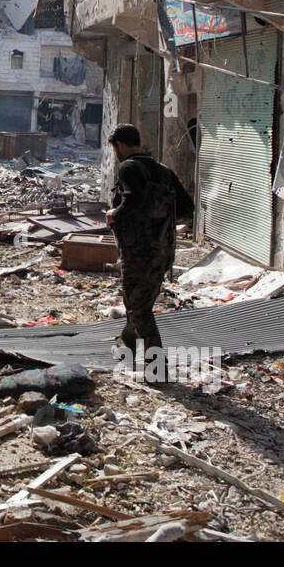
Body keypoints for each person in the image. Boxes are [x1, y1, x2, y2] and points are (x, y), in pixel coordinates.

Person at [104, 123, 195, 382]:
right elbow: (187, 207)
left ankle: (158, 371)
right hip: (162, 250)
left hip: (138, 252)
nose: (116, 154)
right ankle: (126, 348)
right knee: (137, 302)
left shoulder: (129, 167)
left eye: (115, 149)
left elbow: (131, 200)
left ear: (120, 145)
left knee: (138, 309)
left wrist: (114, 214)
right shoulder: (164, 171)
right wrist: (160, 222)